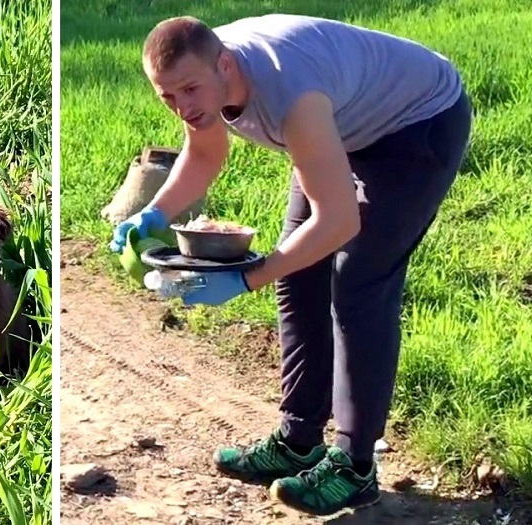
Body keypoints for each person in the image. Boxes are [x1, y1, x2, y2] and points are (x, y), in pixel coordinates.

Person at [108, 13, 473, 516]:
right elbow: (205, 153)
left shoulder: (291, 98)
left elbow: (339, 222)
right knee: (298, 275)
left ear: (225, 66)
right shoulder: (200, 77)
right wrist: (155, 213)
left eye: (189, 91)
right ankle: (299, 439)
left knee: (358, 285)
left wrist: (245, 277)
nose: (183, 107)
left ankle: (355, 466)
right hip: (342, 125)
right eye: (168, 97)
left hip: (417, 125)